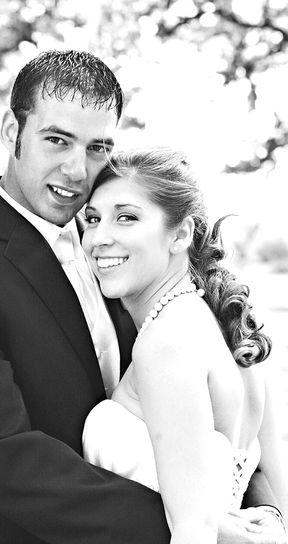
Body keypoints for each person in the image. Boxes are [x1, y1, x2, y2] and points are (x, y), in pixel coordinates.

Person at [0, 50, 285, 544]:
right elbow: (6, 458)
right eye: (57, 140)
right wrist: (200, 524)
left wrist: (266, 514)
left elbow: (214, 423)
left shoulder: (119, 249)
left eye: (97, 147)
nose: (77, 170)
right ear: (12, 132)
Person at [82, 147, 288, 544]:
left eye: (126, 217)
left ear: (180, 234)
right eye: (93, 219)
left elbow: (194, 529)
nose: (99, 238)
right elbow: (280, 496)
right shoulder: (227, 328)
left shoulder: (165, 342)